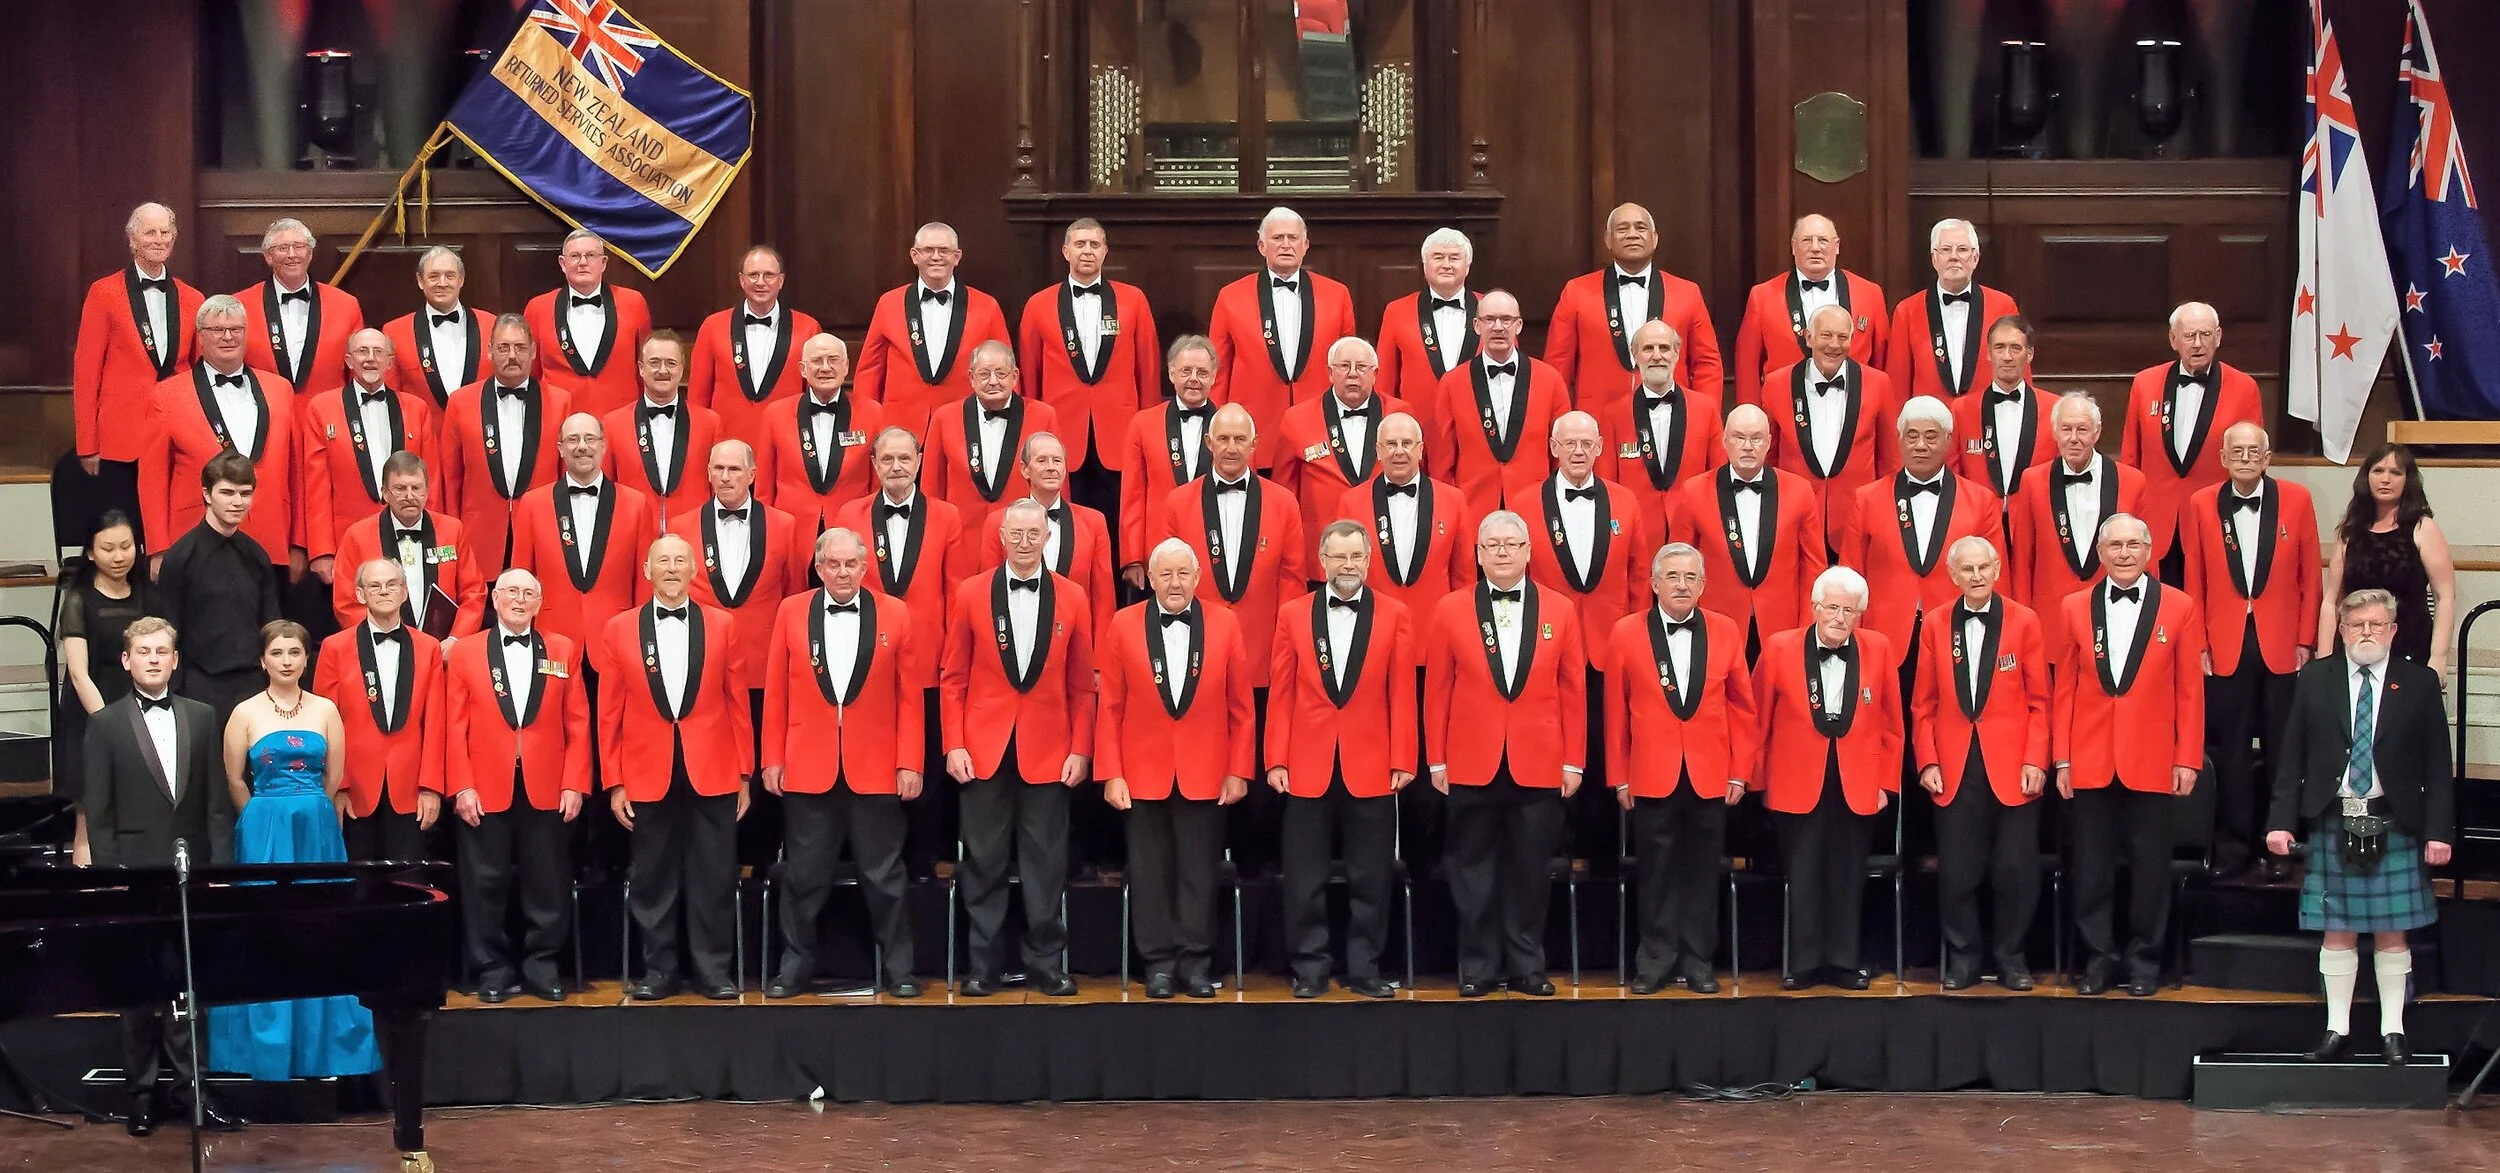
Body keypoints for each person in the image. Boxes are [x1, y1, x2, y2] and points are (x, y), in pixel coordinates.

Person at [2268, 589, 2454, 1066]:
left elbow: (2437, 765)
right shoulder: (2315, 679)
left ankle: (2393, 1031)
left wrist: (2439, 831)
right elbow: (2292, 756)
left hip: (2397, 820)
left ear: (2393, 630)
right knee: (2337, 928)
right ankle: (2337, 1029)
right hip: (2336, 815)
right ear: (2342, 630)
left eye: (2375, 624)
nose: (2366, 633)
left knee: (2394, 930)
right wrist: (2280, 821)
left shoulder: (2419, 683)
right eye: (2356, 625)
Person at [79, 617, 241, 1136]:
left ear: (175, 659)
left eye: (162, 651)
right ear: (126, 661)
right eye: (142, 651)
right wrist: (110, 880)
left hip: (191, 871)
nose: (153, 659)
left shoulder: (202, 716)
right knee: (138, 991)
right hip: (132, 876)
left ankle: (193, 1091)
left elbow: (216, 805)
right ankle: (141, 1094)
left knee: (191, 985)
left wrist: (216, 870)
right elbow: (99, 814)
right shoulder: (104, 725)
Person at [204, 620, 381, 1081]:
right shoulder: (243, 712)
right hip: (264, 828)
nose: (286, 661)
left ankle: (322, 1048)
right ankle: (266, 1047)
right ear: (262, 660)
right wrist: (265, 816)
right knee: (267, 926)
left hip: (317, 829)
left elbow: (332, 777)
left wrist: (304, 809)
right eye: (278, 653)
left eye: (295, 653)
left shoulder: (326, 710)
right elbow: (235, 781)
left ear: (307, 659)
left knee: (319, 925)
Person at [1424, 511, 1589, 997]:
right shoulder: (1449, 609)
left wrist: (1573, 761)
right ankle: (1477, 968)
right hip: (1470, 762)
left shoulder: (1560, 609)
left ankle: (1526, 968)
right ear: (1476, 553)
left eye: (1511, 544)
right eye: (1491, 544)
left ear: (1527, 551)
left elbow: (1574, 691)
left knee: (1531, 872)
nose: (1501, 551)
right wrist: (1437, 759)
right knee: (1471, 872)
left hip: (1538, 763)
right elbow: (1437, 691)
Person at [942, 498, 1098, 998]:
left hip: (1051, 752)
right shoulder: (970, 593)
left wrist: (1081, 748)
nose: (1026, 542)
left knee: (1045, 862)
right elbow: (953, 679)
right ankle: (982, 966)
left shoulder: (1073, 597)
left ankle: (1046, 963)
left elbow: (1082, 684)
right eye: (1017, 534)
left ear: (1048, 537)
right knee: (983, 862)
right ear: (1001, 538)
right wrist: (953, 744)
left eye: (1035, 534)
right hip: (982, 749)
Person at [761, 528, 924, 999]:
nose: (842, 572)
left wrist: (909, 761)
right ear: (817, 566)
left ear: (864, 566)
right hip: (806, 768)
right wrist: (773, 756)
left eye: (850, 564)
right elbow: (777, 692)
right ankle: (794, 968)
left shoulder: (895, 612)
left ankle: (900, 970)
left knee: (885, 876)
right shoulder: (791, 610)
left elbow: (909, 699)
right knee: (803, 877)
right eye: (832, 564)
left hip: (876, 768)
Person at [2053, 514, 2206, 997]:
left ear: (2149, 550)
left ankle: (2144, 961)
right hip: (2090, 756)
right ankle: (2099, 959)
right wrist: (2062, 758)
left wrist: (2188, 758)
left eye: (2133, 544)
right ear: (2100, 553)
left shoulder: (2180, 607)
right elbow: (2065, 688)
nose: (2124, 553)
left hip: (2154, 758)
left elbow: (2190, 691)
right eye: (2114, 545)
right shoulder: (2074, 606)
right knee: (2092, 867)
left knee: (2150, 868)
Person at [1098, 539, 1256, 998]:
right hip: (1140, 773)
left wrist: (1238, 770)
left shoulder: (1225, 622)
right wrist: (1112, 772)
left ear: (1198, 577)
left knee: (1199, 873)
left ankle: (1196, 962)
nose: (1174, 583)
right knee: (1149, 873)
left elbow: (1241, 708)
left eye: (1183, 573)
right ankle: (1159, 966)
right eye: (1164, 574)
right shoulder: (1123, 624)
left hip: (1207, 773)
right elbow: (1109, 706)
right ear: (1148, 579)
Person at [599, 535, 755, 1000]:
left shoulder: (724, 625)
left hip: (714, 767)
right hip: (646, 771)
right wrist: (614, 780)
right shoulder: (618, 629)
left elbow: (737, 703)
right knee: (652, 877)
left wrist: (745, 774)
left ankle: (713, 972)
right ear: (647, 571)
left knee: (714, 875)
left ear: (694, 570)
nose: (671, 568)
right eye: (662, 561)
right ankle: (659, 972)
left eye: (680, 561)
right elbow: (609, 712)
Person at [1269, 521, 1417, 999]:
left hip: (1373, 763)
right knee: (1304, 876)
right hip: (1306, 763)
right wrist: (1275, 758)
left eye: (1356, 557)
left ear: (1369, 561)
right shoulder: (1293, 614)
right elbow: (1282, 692)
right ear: (1322, 560)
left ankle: (1365, 967)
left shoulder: (1395, 614)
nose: (1348, 565)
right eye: (1339, 557)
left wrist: (1403, 756)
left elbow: (1402, 693)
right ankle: (1310, 968)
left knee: (1370, 875)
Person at [1156, 404, 1306, 875]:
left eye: (1241, 439)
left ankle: (1255, 870)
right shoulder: (1178, 502)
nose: (1232, 447)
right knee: (1202, 766)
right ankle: (1199, 872)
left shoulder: (1283, 502)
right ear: (1207, 443)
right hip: (1195, 658)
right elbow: (1165, 583)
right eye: (1223, 438)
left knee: (1258, 773)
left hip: (1263, 656)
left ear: (1255, 445)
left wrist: (1284, 653)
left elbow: (1293, 581)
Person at [1606, 544, 1756, 995]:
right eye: (1672, 576)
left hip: (1711, 773)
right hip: (1651, 773)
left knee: (1702, 870)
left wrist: (1739, 771)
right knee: (1655, 871)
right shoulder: (1625, 632)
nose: (1682, 585)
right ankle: (1654, 961)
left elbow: (1743, 709)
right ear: (1653, 584)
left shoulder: (1727, 630)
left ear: (1703, 584)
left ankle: (1698, 962)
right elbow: (1616, 710)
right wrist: (1619, 775)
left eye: (1690, 577)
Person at [831, 428, 975, 881]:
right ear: (873, 464)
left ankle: (924, 866)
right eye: (887, 458)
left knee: (927, 773)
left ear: (918, 461)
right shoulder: (848, 513)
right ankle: (872, 862)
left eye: (904, 458)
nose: (896, 466)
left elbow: (956, 595)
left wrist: (953, 658)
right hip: (866, 666)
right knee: (871, 765)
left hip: (928, 662)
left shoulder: (947, 516)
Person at [443, 570, 592, 1003]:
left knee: (548, 882)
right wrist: (462, 786)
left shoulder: (562, 648)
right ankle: (490, 968)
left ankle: (542, 964)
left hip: (547, 785)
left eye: (529, 593)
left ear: (540, 601)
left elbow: (578, 723)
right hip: (483, 788)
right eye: (511, 591)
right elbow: (453, 728)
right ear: (494, 597)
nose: (519, 599)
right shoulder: (467, 652)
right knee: (482, 883)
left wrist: (575, 782)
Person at [2183, 423, 2320, 882]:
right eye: (2236, 451)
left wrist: (2305, 639)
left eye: (2253, 451)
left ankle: (2280, 843)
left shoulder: (2297, 500)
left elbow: (2309, 577)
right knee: (2232, 751)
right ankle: (2234, 845)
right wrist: (2199, 642)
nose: (2244, 458)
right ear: (2223, 457)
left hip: (2282, 644)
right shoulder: (2201, 504)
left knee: (2284, 748)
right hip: (2223, 645)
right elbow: (2195, 580)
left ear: (2267, 457)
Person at [1910, 537, 2049, 990]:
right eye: (1966, 569)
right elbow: (1923, 703)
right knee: (1958, 870)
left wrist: (2036, 760)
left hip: (2014, 766)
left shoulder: (2024, 620)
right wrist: (1927, 760)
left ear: (1996, 569)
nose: (1975, 576)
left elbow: (2039, 702)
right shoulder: (1934, 624)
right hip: (1954, 765)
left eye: (1983, 567)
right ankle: (1965, 959)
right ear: (1953, 576)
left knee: (2015, 870)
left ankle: (2011, 958)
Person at [1756, 566, 1903, 990]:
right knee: (1802, 873)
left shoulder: (1879, 648)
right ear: (1815, 606)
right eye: (1832, 607)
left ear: (1861, 615)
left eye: (1850, 611)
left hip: (1858, 782)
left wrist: (1884, 784)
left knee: (1847, 873)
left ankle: (1842, 961)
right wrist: (1757, 781)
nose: (1840, 617)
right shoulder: (1779, 647)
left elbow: (1893, 726)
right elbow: (1759, 719)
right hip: (1794, 781)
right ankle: (1801, 964)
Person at [666, 439, 808, 869]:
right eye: (718, 469)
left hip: (765, 669)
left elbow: (795, 596)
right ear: (707, 473)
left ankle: (762, 862)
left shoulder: (784, 524)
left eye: (734, 469)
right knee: (713, 765)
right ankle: (708, 862)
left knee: (765, 770)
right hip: (703, 672)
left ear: (753, 475)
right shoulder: (681, 524)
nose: (725, 477)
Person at [140, 295, 304, 578]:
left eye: (236, 329)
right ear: (200, 336)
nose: (228, 337)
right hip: (194, 541)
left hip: (270, 541)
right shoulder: (167, 394)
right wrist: (158, 548)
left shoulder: (280, 389)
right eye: (217, 330)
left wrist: (298, 544)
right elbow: (152, 478)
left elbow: (297, 473)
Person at [1016, 218, 1160, 532]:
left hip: (1120, 435)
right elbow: (1028, 377)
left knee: (1119, 527)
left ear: (1106, 252)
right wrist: (1035, 436)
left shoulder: (1133, 300)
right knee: (1065, 528)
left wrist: (1149, 433)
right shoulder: (1038, 305)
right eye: (1080, 244)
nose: (1087, 251)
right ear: (1065, 251)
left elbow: (1147, 371)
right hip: (1061, 436)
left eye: (1094, 245)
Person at [1835, 395, 2004, 657]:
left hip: (1956, 634)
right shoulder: (1866, 498)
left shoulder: (1981, 501)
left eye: (1931, 436)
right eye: (1912, 436)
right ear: (1899, 439)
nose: (1920, 445)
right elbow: (1850, 577)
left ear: (1948, 440)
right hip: (1884, 637)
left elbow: (1996, 579)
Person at [75, 202, 202, 528]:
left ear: (174, 239)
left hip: (176, 434)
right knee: (124, 531)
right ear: (133, 239)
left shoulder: (193, 298)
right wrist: (87, 443)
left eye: (165, 232)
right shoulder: (104, 293)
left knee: (172, 532)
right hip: (122, 439)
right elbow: (87, 371)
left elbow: (201, 373)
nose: (158, 239)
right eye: (150, 232)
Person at [1669, 404, 1827, 665]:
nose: (1747, 446)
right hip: (1715, 624)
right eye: (1739, 437)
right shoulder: (1693, 491)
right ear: (1724, 440)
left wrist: (1807, 628)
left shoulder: (1800, 491)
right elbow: (1676, 568)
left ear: (1768, 442)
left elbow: (1813, 567)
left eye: (1755, 438)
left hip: (1782, 626)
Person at [311, 560, 444, 863]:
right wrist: (337, 785)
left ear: (405, 592)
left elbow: (436, 723)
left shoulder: (429, 647)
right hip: (354, 790)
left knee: (410, 885)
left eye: (392, 584)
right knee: (357, 888)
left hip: (411, 789)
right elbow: (324, 725)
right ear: (360, 594)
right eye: (374, 585)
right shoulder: (334, 648)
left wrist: (431, 787)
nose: (384, 591)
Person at [2120, 303, 2264, 583]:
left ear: (2218, 337)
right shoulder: (2145, 383)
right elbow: (2130, 459)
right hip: (2155, 522)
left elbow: (2252, 463)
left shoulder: (2244, 388)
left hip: (2214, 520)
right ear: (2174, 340)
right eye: (2189, 336)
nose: (2198, 344)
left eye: (2205, 334)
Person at [1208, 207, 1358, 465]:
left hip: (1320, 430)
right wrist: (1219, 429)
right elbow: (1217, 374)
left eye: (1293, 238)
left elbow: (1348, 369)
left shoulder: (1337, 295)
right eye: (1278, 238)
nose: (1286, 245)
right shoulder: (1230, 297)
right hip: (1253, 433)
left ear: (1305, 245)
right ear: (1262, 246)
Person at [1544, 202, 1722, 419]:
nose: (1632, 234)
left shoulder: (1688, 293)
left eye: (1640, 227)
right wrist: (1562, 424)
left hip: (1671, 417)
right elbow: (1557, 367)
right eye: (1622, 228)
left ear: (1655, 238)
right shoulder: (1576, 292)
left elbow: (1707, 365)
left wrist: (1705, 417)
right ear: (1608, 240)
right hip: (1596, 422)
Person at [2005, 391, 2144, 658]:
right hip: (2050, 621)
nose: (2073, 438)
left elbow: (2145, 559)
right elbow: (2023, 558)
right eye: (2066, 429)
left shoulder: (2133, 481)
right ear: (2055, 432)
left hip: (2114, 616)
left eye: (2082, 429)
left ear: (2097, 432)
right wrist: (2021, 622)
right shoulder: (2033, 481)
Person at [511, 413, 658, 656]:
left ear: (603, 445)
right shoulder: (532, 504)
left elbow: (644, 582)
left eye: (590, 439)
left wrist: (640, 636)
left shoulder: (636, 504)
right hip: (551, 639)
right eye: (572, 439)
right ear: (559, 448)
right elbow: (521, 577)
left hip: (617, 639)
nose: (582, 447)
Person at [58, 511, 159, 864]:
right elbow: (78, 674)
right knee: (90, 814)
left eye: (126, 546)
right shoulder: (78, 599)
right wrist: (111, 724)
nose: (119, 557)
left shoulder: (148, 594)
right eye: (107, 548)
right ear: (90, 553)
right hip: (93, 715)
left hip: (143, 710)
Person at [437, 313, 574, 567]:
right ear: (489, 351)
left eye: (520, 347)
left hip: (542, 534)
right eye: (503, 347)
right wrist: (450, 539)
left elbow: (565, 474)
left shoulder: (560, 401)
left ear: (533, 351)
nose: (512, 355)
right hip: (479, 538)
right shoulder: (460, 402)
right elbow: (450, 478)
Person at [158, 452, 283, 728]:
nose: (237, 502)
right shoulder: (180, 557)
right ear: (207, 494)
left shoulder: (257, 556)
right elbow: (169, 630)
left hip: (253, 685)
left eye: (245, 493)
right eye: (227, 492)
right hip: (198, 687)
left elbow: (271, 625)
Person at [855, 222, 1014, 433]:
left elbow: (1005, 368)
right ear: (914, 255)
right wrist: (863, 422)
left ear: (957, 257)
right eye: (928, 250)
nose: (936, 257)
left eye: (944, 250)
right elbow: (870, 370)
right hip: (899, 428)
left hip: (965, 426)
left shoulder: (987, 306)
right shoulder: (889, 303)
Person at [1770, 305, 1900, 557]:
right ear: (1808, 337)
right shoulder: (1777, 384)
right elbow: (1770, 457)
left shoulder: (1878, 383)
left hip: (1856, 520)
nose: (1834, 345)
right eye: (1826, 335)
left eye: (1842, 337)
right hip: (1795, 518)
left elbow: (1889, 460)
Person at [2320, 443, 2455, 680]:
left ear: (2407, 480)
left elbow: (2445, 597)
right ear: (2366, 477)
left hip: (2410, 647)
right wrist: (2323, 659)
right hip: (2356, 647)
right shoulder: (2349, 533)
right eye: (2378, 471)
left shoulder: (2423, 528)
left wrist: (2439, 657)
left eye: (2395, 472)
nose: (2386, 479)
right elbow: (2331, 601)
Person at [301, 327, 435, 564]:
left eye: (378, 352)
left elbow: (430, 481)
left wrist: (433, 538)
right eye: (362, 351)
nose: (371, 358)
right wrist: (322, 551)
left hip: (409, 537)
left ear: (390, 362)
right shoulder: (321, 408)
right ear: (349, 361)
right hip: (347, 540)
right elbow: (316, 486)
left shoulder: (417, 409)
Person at [1732, 214, 1888, 408]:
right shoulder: (1762, 296)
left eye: (1823, 240)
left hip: (1856, 408)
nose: (1815, 248)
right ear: (1793, 246)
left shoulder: (1870, 294)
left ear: (1837, 246)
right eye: (1807, 240)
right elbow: (1747, 364)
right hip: (1784, 410)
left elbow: (1882, 362)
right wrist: (1750, 416)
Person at [976, 431, 1119, 642]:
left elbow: (1103, 601)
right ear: (1025, 469)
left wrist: (1098, 664)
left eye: (1057, 460)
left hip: (1074, 643)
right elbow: (988, 593)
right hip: (1014, 641)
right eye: (1042, 460)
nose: (1051, 467)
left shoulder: (1093, 522)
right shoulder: (998, 522)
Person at [327, 451, 484, 640]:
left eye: (416, 488)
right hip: (383, 645)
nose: (409, 496)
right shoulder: (357, 536)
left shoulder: (452, 530)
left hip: (443, 648)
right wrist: (385, 638)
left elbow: (474, 593)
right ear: (385, 492)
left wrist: (455, 639)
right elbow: (347, 602)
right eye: (400, 488)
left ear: (427, 490)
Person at [1433, 290, 1564, 514]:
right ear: (1476, 326)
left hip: (1535, 508)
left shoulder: (1550, 379)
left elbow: (1561, 453)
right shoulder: (1452, 383)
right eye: (1489, 319)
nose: (1498, 327)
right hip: (1473, 507)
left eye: (1506, 319)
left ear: (1519, 326)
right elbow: (1443, 459)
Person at [688, 245, 823, 450]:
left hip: (787, 447)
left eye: (768, 275)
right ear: (742, 280)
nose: (760, 282)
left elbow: (817, 396)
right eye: (753, 275)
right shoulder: (712, 327)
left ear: (781, 281)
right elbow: (698, 397)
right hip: (726, 450)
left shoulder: (809, 328)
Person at [1275, 337, 1408, 546]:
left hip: (1387, 548)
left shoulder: (1399, 415)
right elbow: (1283, 497)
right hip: (1321, 550)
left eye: (1361, 367)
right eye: (1344, 366)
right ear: (1329, 373)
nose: (1353, 373)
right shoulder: (1296, 419)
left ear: (1375, 374)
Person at [1117, 336, 1220, 590]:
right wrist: (1132, 559)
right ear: (1172, 373)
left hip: (1214, 552)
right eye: (1186, 371)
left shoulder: (1230, 423)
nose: (1194, 378)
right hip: (1157, 551)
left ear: (1214, 376)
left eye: (1202, 372)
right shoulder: (1143, 423)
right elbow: (1132, 495)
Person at [1883, 218, 2021, 401]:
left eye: (1962, 249)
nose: (1954, 256)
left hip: (1984, 418)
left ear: (1975, 258)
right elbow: (1897, 382)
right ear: (1934, 258)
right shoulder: (1907, 311)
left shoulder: (2003, 306)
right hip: (1929, 425)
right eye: (1946, 249)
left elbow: (2019, 370)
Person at [758, 333, 886, 526]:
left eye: (833, 360)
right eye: (817, 360)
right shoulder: (775, 414)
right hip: (793, 533)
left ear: (846, 367)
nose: (825, 368)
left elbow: (878, 484)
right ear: (802, 369)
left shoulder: (873, 412)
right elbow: (764, 490)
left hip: (852, 532)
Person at [526, 229, 654, 418]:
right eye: (575, 256)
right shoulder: (537, 308)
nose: (583, 262)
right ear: (563, 263)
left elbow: (645, 367)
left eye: (590, 255)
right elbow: (532, 375)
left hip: (621, 421)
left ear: (603, 263)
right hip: (560, 421)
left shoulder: (634, 303)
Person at [923, 340, 1061, 512]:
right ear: (972, 378)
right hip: (962, 534)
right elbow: (931, 489)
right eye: (984, 374)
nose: (993, 381)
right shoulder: (944, 418)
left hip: (1023, 534)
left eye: (1001, 373)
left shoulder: (1044, 416)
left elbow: (1056, 485)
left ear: (1015, 376)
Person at [1598, 321, 1725, 508]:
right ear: (1635, 354)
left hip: (1691, 527)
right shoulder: (1612, 414)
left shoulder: (1707, 409)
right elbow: (1607, 487)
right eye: (1648, 348)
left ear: (1677, 354)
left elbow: (1718, 478)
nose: (1657, 356)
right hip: (1638, 529)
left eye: (1664, 348)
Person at [235, 218, 364, 396]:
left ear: (310, 254)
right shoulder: (240, 306)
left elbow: (357, 372)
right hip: (264, 417)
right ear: (268, 257)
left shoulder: (346, 305)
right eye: (282, 248)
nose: (292, 254)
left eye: (299, 246)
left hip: (326, 418)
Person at [603, 331, 722, 520]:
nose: (663, 370)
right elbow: (606, 490)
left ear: (682, 369)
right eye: (654, 362)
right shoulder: (612, 424)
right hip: (635, 533)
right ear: (641, 368)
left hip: (691, 536)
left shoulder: (710, 423)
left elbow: (718, 487)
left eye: (671, 363)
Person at [1373, 227, 1479, 435]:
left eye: (1454, 258)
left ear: (1467, 266)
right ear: (1425, 266)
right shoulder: (1397, 311)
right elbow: (1384, 382)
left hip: (1477, 433)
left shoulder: (1492, 309)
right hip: (1416, 433)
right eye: (1438, 257)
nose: (1446, 265)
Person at [1949, 315, 2058, 506]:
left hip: (2033, 516)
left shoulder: (2054, 408)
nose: (2007, 357)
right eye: (1999, 347)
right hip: (1979, 519)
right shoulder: (1961, 410)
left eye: (2015, 348)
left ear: (2029, 354)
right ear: (1989, 353)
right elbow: (1954, 475)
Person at [381, 245, 490, 408]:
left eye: (450, 276)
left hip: (479, 431)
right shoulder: (394, 332)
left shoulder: (492, 325)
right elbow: (391, 397)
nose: (442, 283)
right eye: (433, 276)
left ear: (461, 279)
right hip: (424, 432)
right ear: (420, 280)